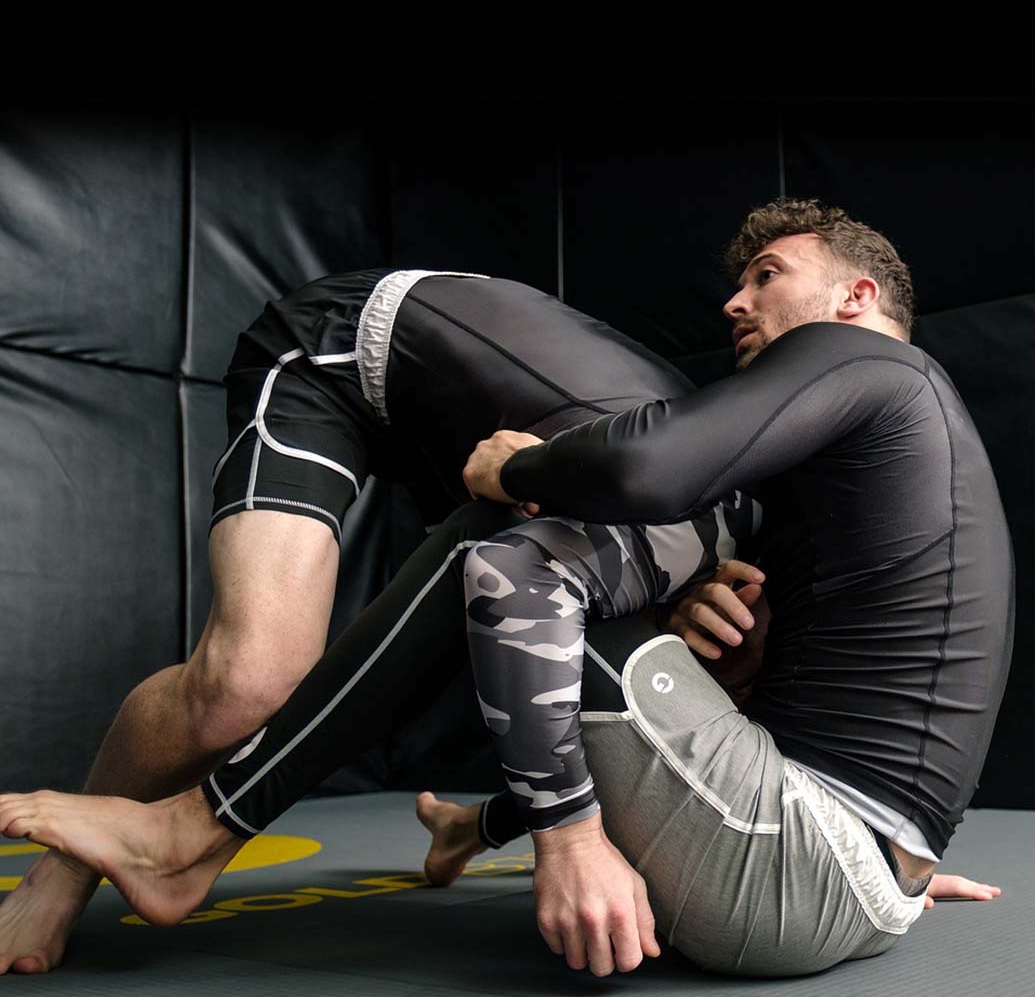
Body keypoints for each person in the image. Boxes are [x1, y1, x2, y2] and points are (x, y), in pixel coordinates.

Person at [0, 200, 1010, 978]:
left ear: (855, 299)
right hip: (856, 880)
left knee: (523, 557)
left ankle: (194, 828)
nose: (733, 302)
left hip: (798, 865)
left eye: (767, 275)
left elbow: (634, 478)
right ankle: (104, 865)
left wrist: (509, 472)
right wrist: (894, 860)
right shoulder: (858, 474)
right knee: (270, 674)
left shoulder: (864, 367)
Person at [0, 266, 749, 974]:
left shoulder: (716, 543)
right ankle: (59, 877)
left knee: (571, 651)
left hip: (460, 440)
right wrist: (568, 837)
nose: (735, 302)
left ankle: (239, 841)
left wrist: (485, 825)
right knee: (247, 681)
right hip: (339, 348)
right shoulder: (676, 487)